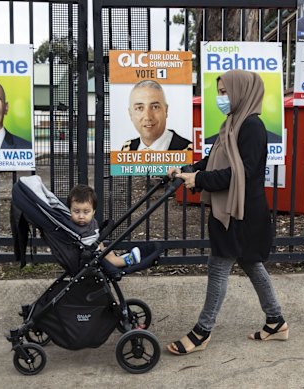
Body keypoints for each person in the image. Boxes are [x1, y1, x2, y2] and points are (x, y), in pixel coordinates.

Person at [165, 69, 288, 356]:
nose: (221, 97)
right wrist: (189, 170)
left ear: (241, 92)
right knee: (251, 264)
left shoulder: (252, 127)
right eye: (219, 92)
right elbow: (214, 159)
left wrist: (202, 180)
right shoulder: (232, 123)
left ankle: (202, 331)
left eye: (225, 92)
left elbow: (241, 172)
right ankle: (276, 321)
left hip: (241, 211)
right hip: (235, 209)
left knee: (219, 267)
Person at [67, 184, 141, 268]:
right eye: (76, 212)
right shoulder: (72, 227)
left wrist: (101, 248)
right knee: (111, 261)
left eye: (86, 212)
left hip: (97, 248)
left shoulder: (91, 222)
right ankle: (128, 260)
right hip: (89, 255)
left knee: (108, 251)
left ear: (93, 211)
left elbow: (96, 236)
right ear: (70, 210)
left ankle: (119, 258)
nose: (81, 216)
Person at [121, 80, 193, 151]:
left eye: (155, 107)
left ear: (166, 110)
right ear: (130, 114)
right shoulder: (127, 149)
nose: (147, 117)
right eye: (139, 108)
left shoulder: (188, 151)